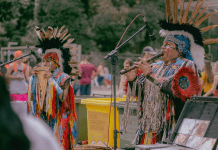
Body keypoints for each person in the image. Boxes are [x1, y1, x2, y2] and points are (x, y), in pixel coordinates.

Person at [121, 0, 218, 145]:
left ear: (180, 49)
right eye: (163, 43)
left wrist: (150, 75)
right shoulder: (156, 64)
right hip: (150, 125)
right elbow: (143, 92)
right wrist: (132, 79)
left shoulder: (187, 65)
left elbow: (179, 91)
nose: (163, 47)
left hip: (172, 126)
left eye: (168, 45)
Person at [27, 26, 77, 150]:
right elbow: (34, 96)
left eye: (49, 60)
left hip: (60, 117)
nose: (45, 64)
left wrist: (52, 80)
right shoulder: (41, 75)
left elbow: (62, 98)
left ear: (57, 62)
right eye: (44, 61)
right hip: (44, 116)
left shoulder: (64, 77)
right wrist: (33, 78)